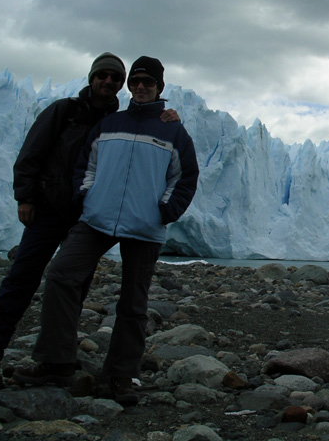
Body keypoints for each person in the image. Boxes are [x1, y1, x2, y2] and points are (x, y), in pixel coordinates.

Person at [0, 53, 177, 392]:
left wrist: (166, 117)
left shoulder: (121, 119)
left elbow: (170, 166)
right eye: (102, 75)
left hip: (87, 217)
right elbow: (31, 153)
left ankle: (59, 360)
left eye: (114, 78)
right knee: (20, 281)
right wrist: (26, 197)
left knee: (72, 287)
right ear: (91, 78)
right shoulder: (64, 111)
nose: (108, 81)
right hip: (47, 211)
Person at [13, 56, 199, 406]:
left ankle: (120, 375)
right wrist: (87, 197)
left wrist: (165, 210)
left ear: (160, 87)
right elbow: (86, 165)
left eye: (148, 82)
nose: (141, 87)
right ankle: (57, 361)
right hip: (97, 219)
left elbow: (185, 176)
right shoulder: (110, 123)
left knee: (133, 303)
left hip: (145, 227)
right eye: (136, 81)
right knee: (62, 274)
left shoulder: (173, 130)